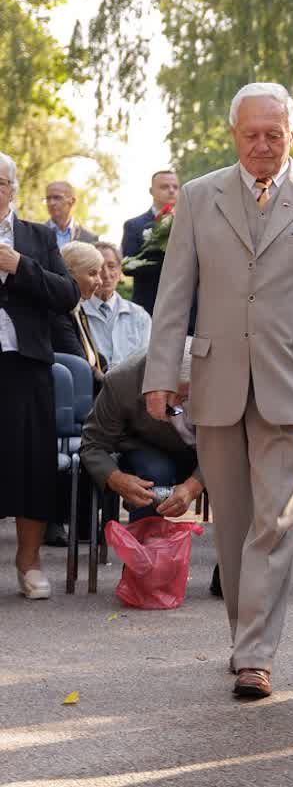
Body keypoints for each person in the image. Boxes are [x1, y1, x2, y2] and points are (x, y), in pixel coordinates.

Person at [142, 83, 293, 700]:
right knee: (235, 522)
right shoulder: (197, 197)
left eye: (274, 133)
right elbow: (173, 297)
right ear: (234, 134)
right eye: (251, 135)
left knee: (277, 519)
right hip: (215, 380)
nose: (262, 145)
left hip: (292, 382)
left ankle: (256, 655)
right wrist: (161, 374)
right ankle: (246, 635)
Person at [0, 151, 83, 600]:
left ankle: (29, 561)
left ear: (12, 189)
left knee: (32, 466)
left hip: (27, 366)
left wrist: (19, 267)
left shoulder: (35, 237)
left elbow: (67, 294)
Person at [80, 344, 203, 523]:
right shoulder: (121, 382)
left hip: (207, 451)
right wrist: (116, 478)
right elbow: (93, 444)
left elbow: (227, 447)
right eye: (169, 395)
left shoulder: (217, 380)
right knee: (154, 472)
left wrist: (193, 486)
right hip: (149, 447)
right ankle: (144, 544)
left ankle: (239, 548)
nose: (176, 406)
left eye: (184, 397)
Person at [82, 243, 153, 368]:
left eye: (112, 266)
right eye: (99, 268)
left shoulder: (140, 316)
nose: (106, 274)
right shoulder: (78, 313)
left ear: (120, 271)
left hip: (132, 384)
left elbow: (147, 361)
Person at [121, 169, 179, 315]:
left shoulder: (192, 223)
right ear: (151, 191)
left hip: (186, 310)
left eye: (175, 187)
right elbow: (127, 267)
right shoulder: (134, 226)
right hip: (149, 307)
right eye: (165, 187)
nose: (171, 191)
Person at [59, 240, 109, 381]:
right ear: (69, 274)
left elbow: (93, 358)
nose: (100, 281)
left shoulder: (77, 307)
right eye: (93, 274)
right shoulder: (58, 311)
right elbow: (80, 365)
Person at [44, 181, 99, 245]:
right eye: (48, 199)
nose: (51, 203)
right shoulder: (34, 234)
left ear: (72, 201)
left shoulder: (89, 237)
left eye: (57, 198)